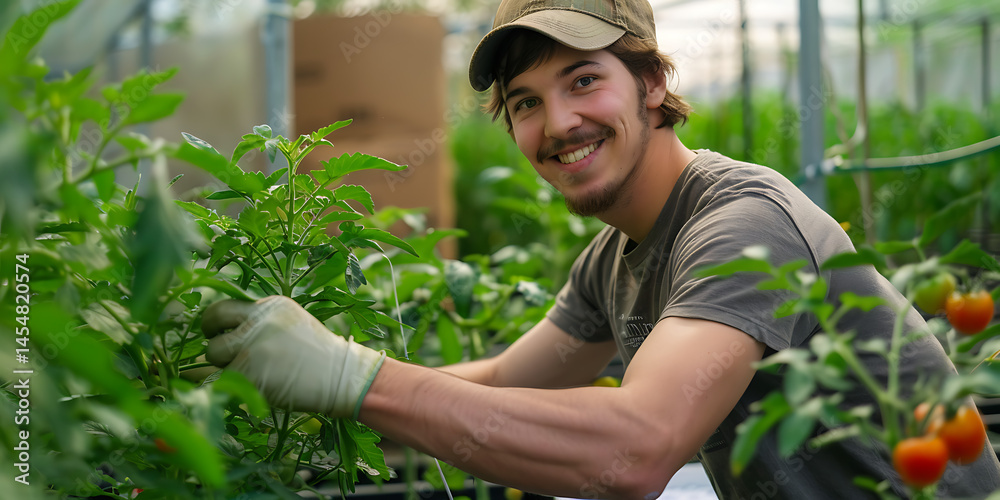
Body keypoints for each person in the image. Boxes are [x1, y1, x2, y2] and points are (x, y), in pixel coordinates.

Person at [201, 0, 1000, 498]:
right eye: (524, 103)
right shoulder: (615, 257)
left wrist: (354, 378)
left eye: (584, 80)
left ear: (652, 82)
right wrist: (298, 395)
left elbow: (635, 449)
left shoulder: (741, 225)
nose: (555, 125)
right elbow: (505, 381)